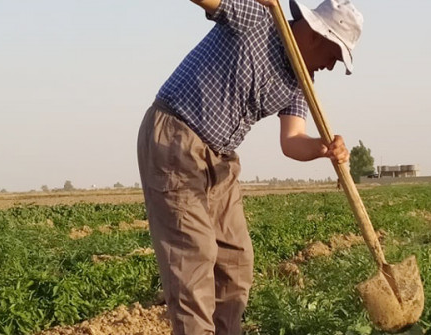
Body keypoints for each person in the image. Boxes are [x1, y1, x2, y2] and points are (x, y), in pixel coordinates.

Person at [136, 0, 363, 333]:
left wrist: (322, 148)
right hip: (176, 135)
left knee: (236, 263)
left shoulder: (301, 82)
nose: (331, 66)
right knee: (193, 258)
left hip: (221, 157)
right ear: (318, 35)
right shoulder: (259, 19)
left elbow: (292, 141)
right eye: (334, 55)